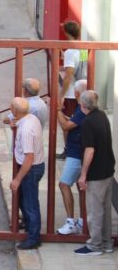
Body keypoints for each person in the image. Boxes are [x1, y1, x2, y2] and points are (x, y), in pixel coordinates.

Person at [74, 90, 115, 256]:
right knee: (105, 209)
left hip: (96, 173)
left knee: (95, 210)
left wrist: (83, 174)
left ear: (83, 105)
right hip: (108, 169)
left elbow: (89, 150)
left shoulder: (88, 122)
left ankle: (95, 245)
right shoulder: (102, 115)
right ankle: (107, 243)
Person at [9, 96, 45, 250]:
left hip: (30, 169)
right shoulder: (30, 119)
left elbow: (29, 158)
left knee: (30, 204)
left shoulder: (25, 130)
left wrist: (17, 179)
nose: (10, 108)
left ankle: (33, 238)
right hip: (34, 167)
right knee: (26, 200)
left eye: (11, 107)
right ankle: (30, 228)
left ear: (15, 110)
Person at [56, 79, 87, 236]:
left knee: (64, 184)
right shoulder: (83, 109)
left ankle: (71, 222)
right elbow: (73, 122)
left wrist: (57, 111)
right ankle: (82, 220)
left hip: (76, 155)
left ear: (76, 93)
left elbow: (66, 126)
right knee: (80, 188)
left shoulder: (83, 109)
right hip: (78, 153)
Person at [58, 20, 86, 159]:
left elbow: (69, 75)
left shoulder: (70, 52)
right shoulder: (83, 48)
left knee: (66, 122)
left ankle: (69, 150)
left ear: (66, 33)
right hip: (82, 91)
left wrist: (61, 95)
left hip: (71, 94)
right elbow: (81, 68)